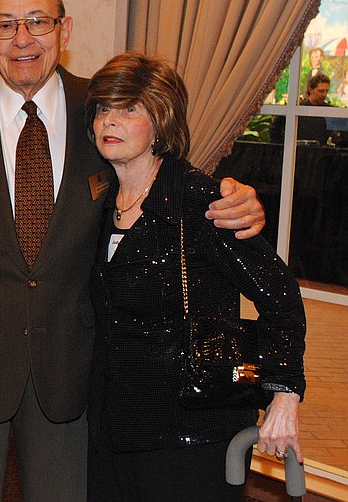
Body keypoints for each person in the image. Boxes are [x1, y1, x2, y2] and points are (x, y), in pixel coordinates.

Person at [0, 0, 265, 502]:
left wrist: (233, 198)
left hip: (77, 368)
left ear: (64, 30)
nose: (23, 39)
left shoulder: (102, 111)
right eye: (5, 26)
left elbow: (162, 179)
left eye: (37, 22)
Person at [85, 51, 306, 502]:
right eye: (104, 108)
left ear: (161, 120)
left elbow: (281, 297)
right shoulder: (100, 199)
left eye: (129, 109)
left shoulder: (203, 202)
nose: (111, 120)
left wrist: (284, 396)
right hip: (114, 424)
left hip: (193, 430)